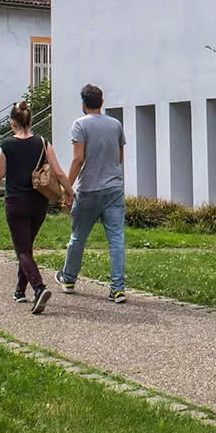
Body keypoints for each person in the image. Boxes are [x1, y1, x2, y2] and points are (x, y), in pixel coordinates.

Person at [0, 99, 67, 313]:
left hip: (16, 202)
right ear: (30, 119)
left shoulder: (6, 145)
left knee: (22, 250)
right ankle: (19, 290)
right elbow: (59, 172)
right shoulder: (43, 143)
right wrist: (69, 193)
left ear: (11, 123)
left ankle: (39, 288)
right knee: (27, 247)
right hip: (38, 203)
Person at [58, 83, 128, 303]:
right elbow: (120, 157)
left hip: (89, 189)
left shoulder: (79, 125)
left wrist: (67, 189)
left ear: (83, 103)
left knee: (78, 236)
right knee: (116, 239)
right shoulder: (115, 125)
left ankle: (69, 279)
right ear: (102, 102)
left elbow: (78, 159)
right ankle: (118, 289)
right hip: (114, 189)